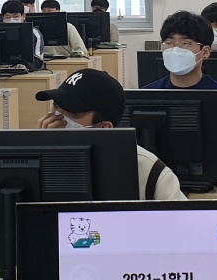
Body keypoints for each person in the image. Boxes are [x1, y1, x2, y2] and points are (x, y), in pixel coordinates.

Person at [36, 70, 185, 200]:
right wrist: (44, 154)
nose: (55, 118)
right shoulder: (34, 163)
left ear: (104, 128)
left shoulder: (148, 170)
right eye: (56, 106)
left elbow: (183, 220)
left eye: (72, 113)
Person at [143, 10, 217, 173]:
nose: (175, 49)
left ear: (205, 52)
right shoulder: (147, 96)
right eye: (169, 42)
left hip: (213, 184)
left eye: (186, 43)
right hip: (157, 182)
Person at [0, 0, 45, 70]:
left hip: (29, 71)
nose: (11, 20)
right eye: (8, 17)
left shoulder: (34, 33)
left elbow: (38, 58)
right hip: (2, 69)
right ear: (3, 18)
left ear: (23, 16)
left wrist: (25, 65)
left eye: (15, 17)